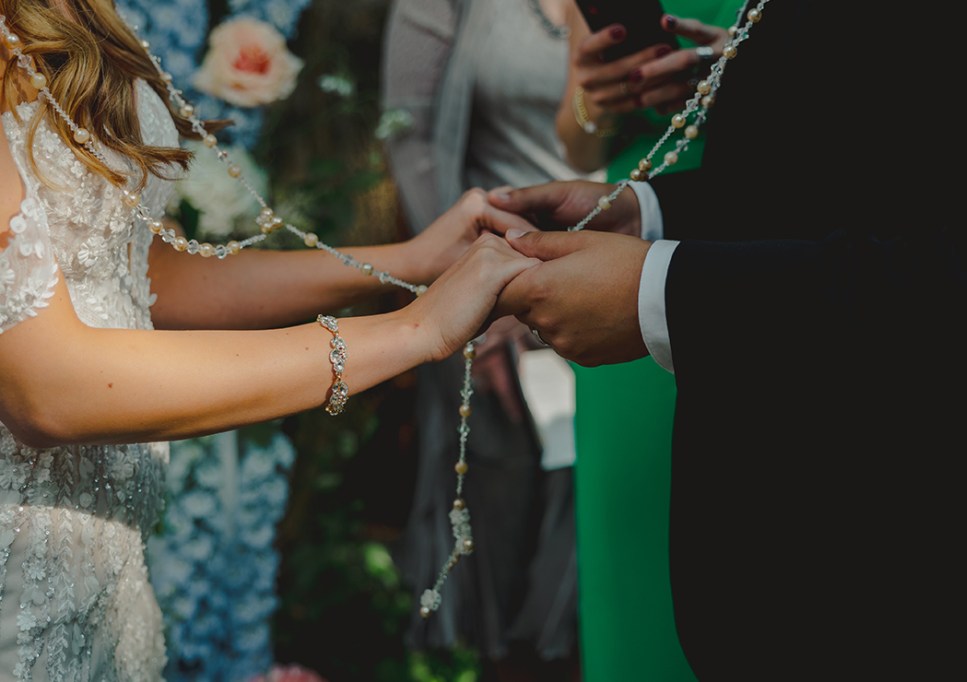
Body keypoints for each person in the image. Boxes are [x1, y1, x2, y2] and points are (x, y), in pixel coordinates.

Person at [0, 2, 539, 678]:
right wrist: (413, 330)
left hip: (108, 581)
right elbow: (49, 388)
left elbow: (141, 273)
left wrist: (413, 260)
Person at [489, 1, 967, 679]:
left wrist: (670, 290)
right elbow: (871, 170)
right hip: (772, 540)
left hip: (918, 551)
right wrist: (648, 212)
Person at [380, 1, 596, 679]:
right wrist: (482, 303)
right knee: (504, 514)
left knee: (599, 527)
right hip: (490, 292)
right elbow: (411, 139)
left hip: (621, 280)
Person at [548, 4, 741, 681]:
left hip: (767, 234)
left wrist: (743, 78)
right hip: (627, 246)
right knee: (637, 552)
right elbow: (576, 142)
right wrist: (597, 100)